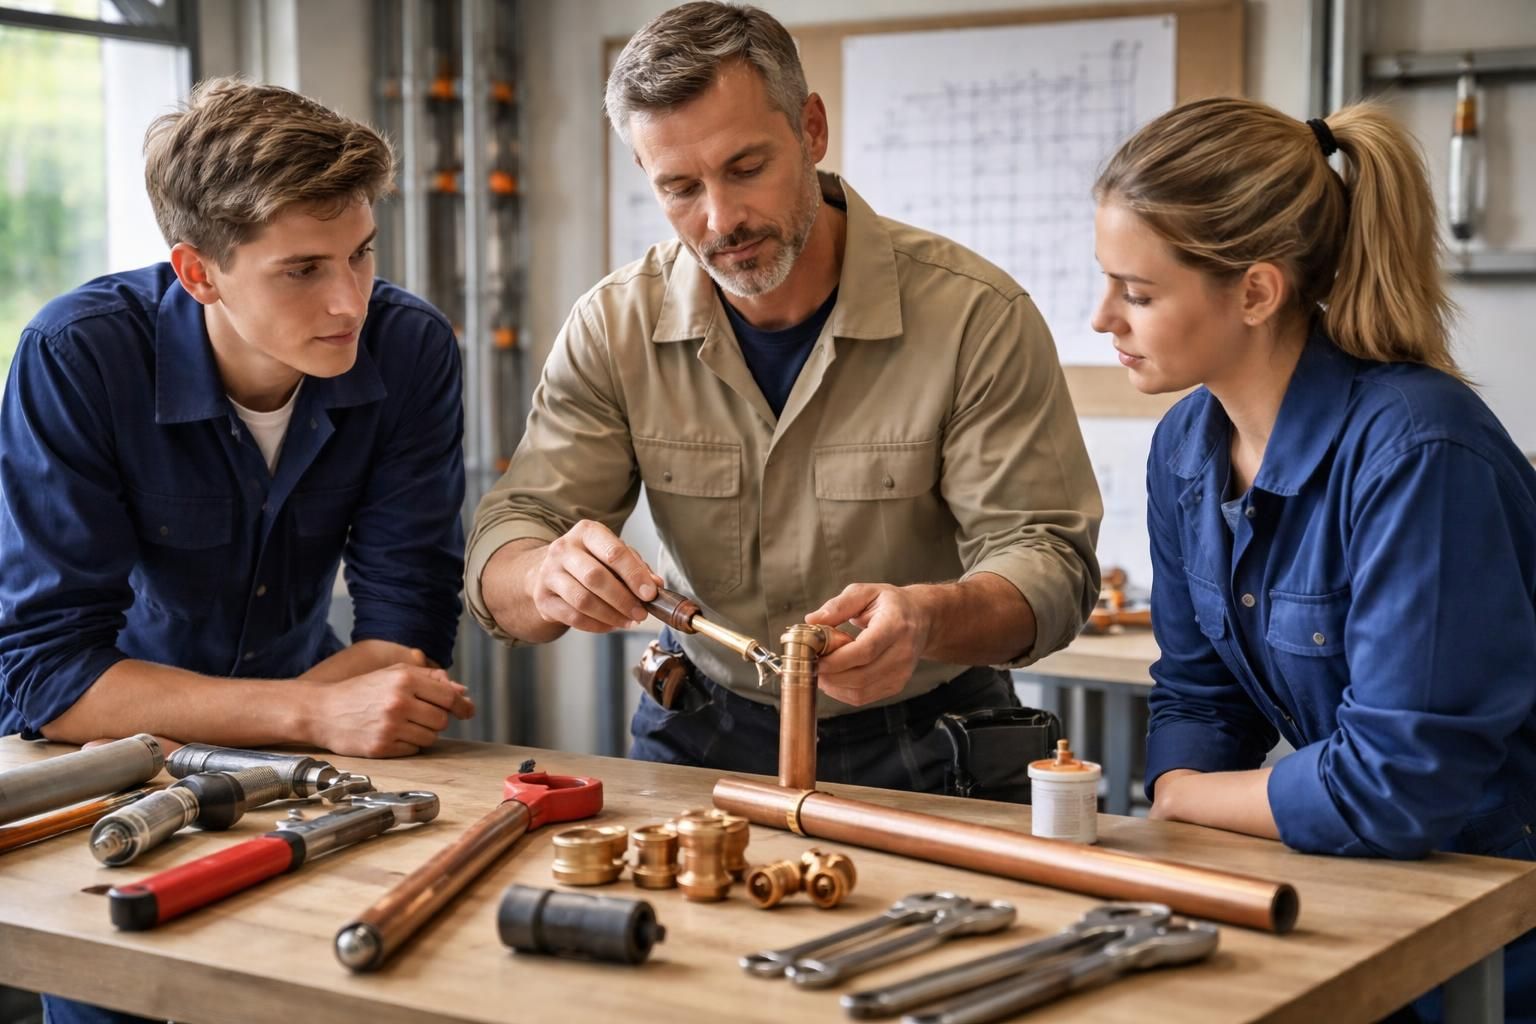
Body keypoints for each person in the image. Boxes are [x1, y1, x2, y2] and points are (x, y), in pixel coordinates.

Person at [467, 1, 1101, 792]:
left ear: (811, 129)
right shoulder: (612, 327)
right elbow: (507, 542)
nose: (720, 220)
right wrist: (543, 577)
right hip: (703, 724)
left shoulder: (976, 316)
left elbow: (1050, 563)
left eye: (745, 168)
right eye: (679, 187)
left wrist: (929, 619)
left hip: (929, 734)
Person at [1091, 96, 1535, 1022]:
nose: (1102, 320)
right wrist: (1180, 787)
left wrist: (1186, 798)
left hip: (1501, 919)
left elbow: (1397, 784)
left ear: (1256, 293)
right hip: (1366, 883)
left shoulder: (1419, 451)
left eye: (1138, 294)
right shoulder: (1184, 446)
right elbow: (1199, 695)